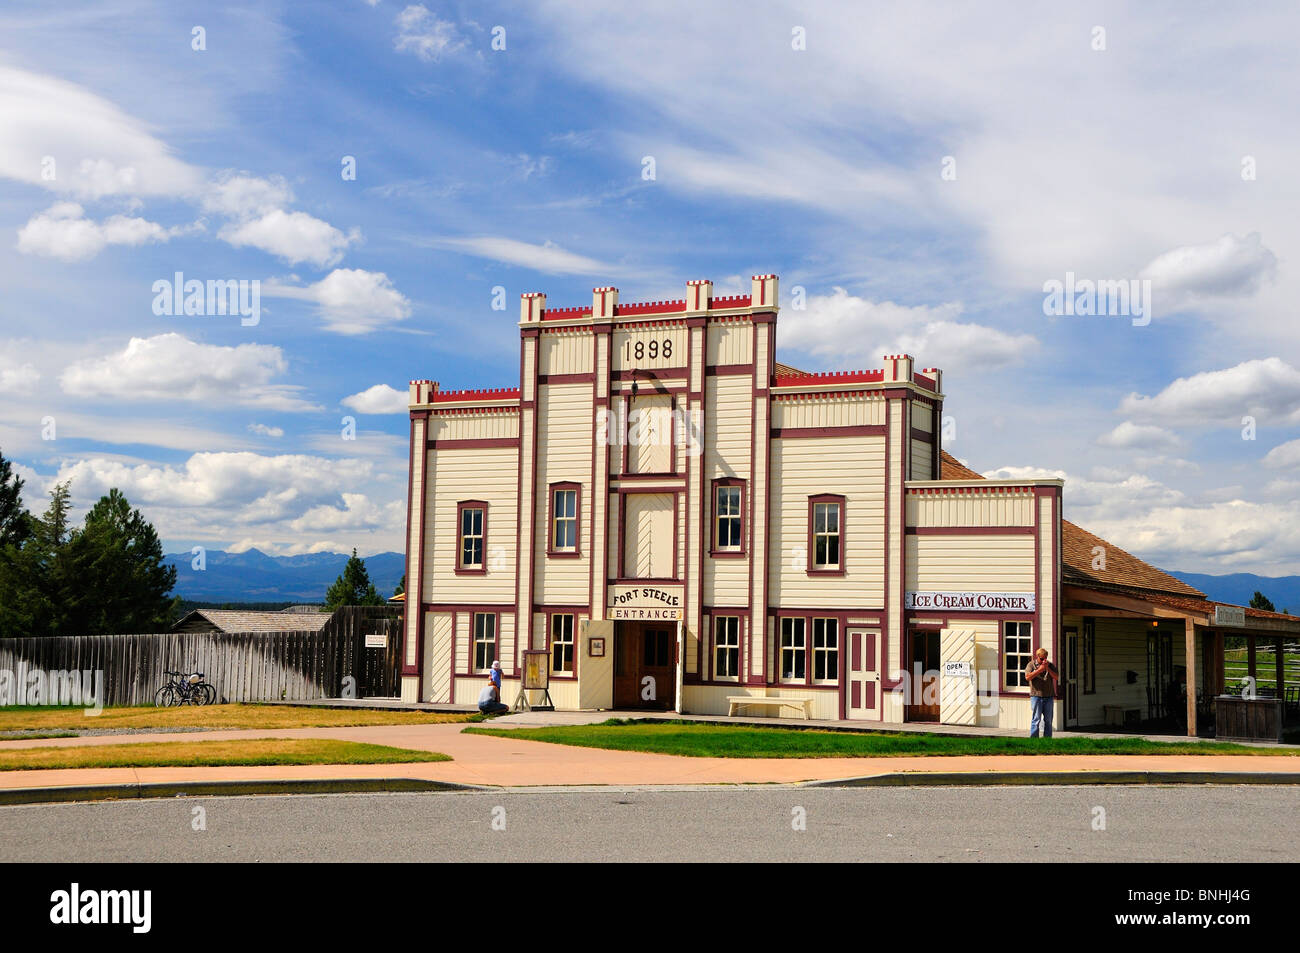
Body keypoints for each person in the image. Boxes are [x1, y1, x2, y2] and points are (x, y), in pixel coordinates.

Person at [1025, 648, 1059, 738]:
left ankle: (1047, 740)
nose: (1044, 660)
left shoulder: (1050, 665)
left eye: (1045, 658)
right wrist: (1039, 670)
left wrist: (1047, 668)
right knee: (1036, 719)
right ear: (1037, 656)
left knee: (1048, 720)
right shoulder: (1031, 664)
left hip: (1049, 696)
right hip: (1036, 696)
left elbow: (1057, 677)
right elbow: (1027, 677)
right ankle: (1034, 740)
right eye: (1042, 659)